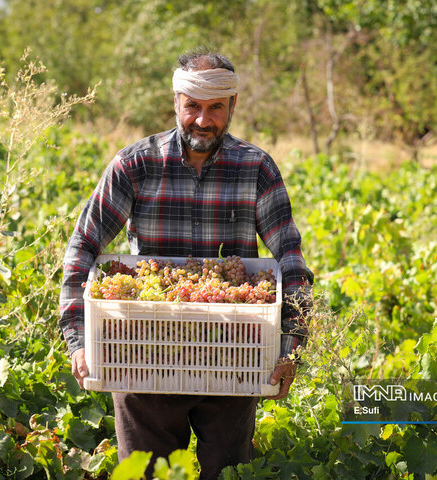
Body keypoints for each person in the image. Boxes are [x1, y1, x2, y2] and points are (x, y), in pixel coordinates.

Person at [59, 50, 312, 479]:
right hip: (142, 355)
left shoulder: (256, 169)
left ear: (232, 106)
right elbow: (83, 245)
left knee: (229, 472)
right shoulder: (135, 165)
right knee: (148, 475)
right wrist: (78, 338)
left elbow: (290, 261)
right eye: (193, 106)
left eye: (215, 108)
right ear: (176, 101)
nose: (202, 120)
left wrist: (291, 345)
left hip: (233, 355)